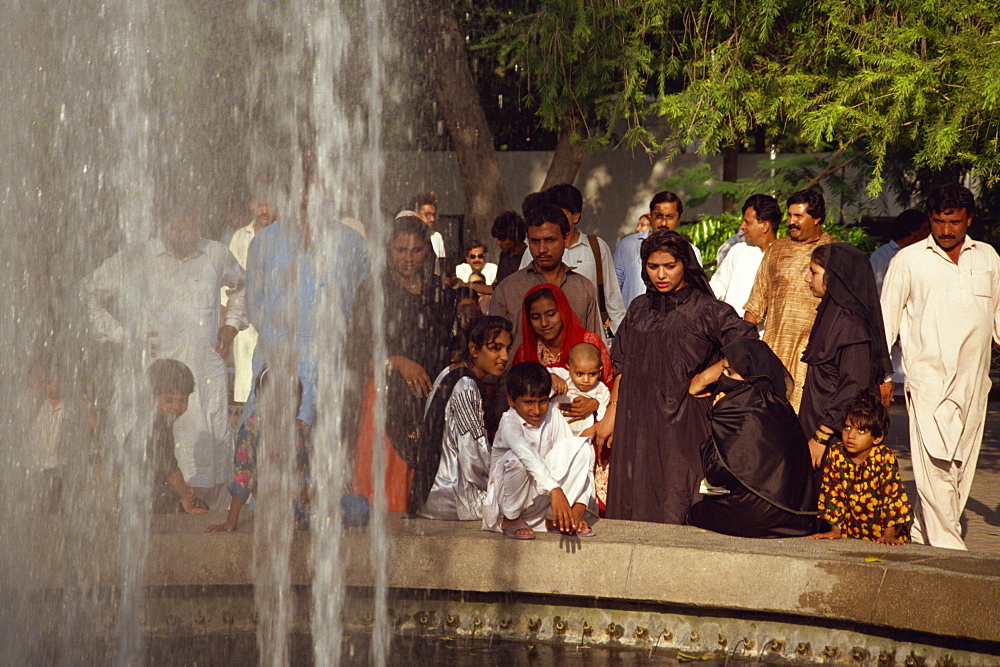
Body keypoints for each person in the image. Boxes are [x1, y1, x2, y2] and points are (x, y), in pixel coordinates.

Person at [82, 211, 248, 509]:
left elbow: (243, 288)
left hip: (201, 382)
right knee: (151, 462)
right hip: (155, 381)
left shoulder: (215, 253)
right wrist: (124, 336)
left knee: (207, 469)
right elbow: (87, 293)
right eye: (178, 223)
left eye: (192, 222)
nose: (186, 231)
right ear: (163, 223)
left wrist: (231, 326)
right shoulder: (136, 257)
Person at [596, 230, 757, 524]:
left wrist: (707, 376)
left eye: (670, 266)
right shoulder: (639, 308)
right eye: (653, 266)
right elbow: (621, 363)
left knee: (676, 499)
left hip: (682, 428)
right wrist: (612, 411)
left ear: (685, 264)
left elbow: (748, 345)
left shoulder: (707, 310)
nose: (661, 275)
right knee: (634, 499)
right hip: (636, 425)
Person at [880, 184, 1000, 550]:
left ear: (969, 220)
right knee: (935, 463)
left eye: (954, 222)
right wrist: (882, 375)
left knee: (960, 465)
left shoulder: (989, 258)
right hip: (927, 377)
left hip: (974, 381)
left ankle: (921, 529)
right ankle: (950, 548)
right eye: (939, 221)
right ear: (930, 219)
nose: (946, 230)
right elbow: (885, 322)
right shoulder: (908, 261)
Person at [347, 216, 456, 512]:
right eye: (400, 249)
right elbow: (355, 355)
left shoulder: (441, 295)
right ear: (388, 250)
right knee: (383, 487)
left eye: (416, 250)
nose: (408, 258)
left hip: (429, 401)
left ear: (427, 252)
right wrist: (397, 361)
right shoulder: (374, 292)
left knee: (420, 489)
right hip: (383, 401)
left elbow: (449, 349)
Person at [243, 212, 368, 428]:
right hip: (279, 363)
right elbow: (255, 306)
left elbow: (362, 307)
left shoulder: (352, 242)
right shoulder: (265, 241)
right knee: (267, 439)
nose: (307, 199)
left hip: (332, 363)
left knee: (328, 439)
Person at [686, 339, 817, 538]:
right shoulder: (781, 407)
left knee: (696, 513)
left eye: (730, 373)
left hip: (759, 518)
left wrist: (716, 417)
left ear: (749, 375)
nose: (723, 377)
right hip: (797, 519)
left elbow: (716, 472)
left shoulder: (737, 408)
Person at [800, 243, 893, 468]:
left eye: (814, 272)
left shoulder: (850, 326)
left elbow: (853, 386)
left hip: (835, 441)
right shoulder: (831, 315)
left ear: (834, 277)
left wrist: (822, 435)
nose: (807, 279)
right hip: (820, 431)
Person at [412, 316, 513, 520]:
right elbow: (474, 459)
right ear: (474, 350)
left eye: (507, 349)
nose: (504, 356)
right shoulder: (466, 387)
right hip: (454, 499)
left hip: (432, 494)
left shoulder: (448, 373)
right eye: (495, 347)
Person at [481, 361, 596, 539]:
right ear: (511, 400)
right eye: (528, 402)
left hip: (543, 503)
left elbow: (571, 456)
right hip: (509, 504)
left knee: (581, 448)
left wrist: (580, 504)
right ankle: (511, 519)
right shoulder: (509, 422)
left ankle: (555, 520)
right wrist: (555, 490)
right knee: (517, 458)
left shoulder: (552, 413)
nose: (536, 410)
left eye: (542, 401)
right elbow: (526, 454)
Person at [743, 189, 835, 411]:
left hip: (814, 356)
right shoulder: (776, 250)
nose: (791, 222)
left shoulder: (834, 252)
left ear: (817, 218)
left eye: (799, 216)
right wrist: (743, 348)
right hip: (774, 352)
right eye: (790, 215)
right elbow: (756, 304)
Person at [489, 204, 603, 355]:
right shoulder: (507, 289)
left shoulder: (583, 288)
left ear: (566, 238)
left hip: (574, 378)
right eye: (535, 241)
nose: (542, 249)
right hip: (520, 377)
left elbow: (594, 347)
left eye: (550, 240)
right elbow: (492, 350)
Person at [516, 184, 626, 337]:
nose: (554, 219)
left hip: (587, 339)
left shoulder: (596, 247)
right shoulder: (534, 251)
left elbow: (613, 300)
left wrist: (620, 343)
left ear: (576, 216)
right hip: (544, 338)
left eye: (560, 213)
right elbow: (521, 294)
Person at [810, 390, 911, 545]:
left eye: (861, 431)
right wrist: (835, 530)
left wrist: (889, 534)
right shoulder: (836, 453)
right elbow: (832, 493)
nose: (851, 435)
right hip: (851, 531)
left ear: (877, 437)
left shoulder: (883, 456)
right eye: (847, 427)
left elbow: (891, 496)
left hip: (883, 532)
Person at [870, 209, 930, 390]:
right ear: (912, 231)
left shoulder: (924, 257)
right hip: (893, 337)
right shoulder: (882, 257)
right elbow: (878, 298)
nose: (929, 234)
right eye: (925, 228)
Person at [614, 191, 704, 309]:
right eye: (659, 216)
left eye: (669, 217)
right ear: (651, 216)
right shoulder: (628, 245)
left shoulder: (690, 251)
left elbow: (694, 292)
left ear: (678, 218)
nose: (663, 223)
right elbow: (614, 288)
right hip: (632, 320)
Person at [226, 198, 278, 403]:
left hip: (279, 319)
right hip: (246, 319)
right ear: (250, 205)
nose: (264, 210)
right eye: (258, 205)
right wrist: (225, 320)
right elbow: (230, 283)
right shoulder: (240, 236)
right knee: (248, 380)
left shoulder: (286, 235)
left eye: (268, 204)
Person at [148, 359, 209, 515]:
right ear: (152, 397)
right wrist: (185, 499)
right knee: (200, 509)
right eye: (169, 400)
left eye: (182, 400)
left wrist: (183, 490)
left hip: (148, 490)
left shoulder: (155, 422)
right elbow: (171, 471)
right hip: (147, 498)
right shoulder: (157, 429)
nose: (176, 406)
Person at [710, 194, 779, 322]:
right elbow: (719, 285)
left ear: (765, 225)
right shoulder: (738, 250)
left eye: (748, 222)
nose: (742, 227)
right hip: (731, 330)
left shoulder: (783, 255)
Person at [492, 211, 527, 285]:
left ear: (516, 238)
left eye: (503, 239)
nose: (498, 243)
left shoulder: (527, 256)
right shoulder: (504, 255)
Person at [411, 192, 447, 261]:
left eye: (433, 215)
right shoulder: (406, 237)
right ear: (415, 214)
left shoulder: (436, 237)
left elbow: (441, 266)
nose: (432, 219)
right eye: (427, 214)